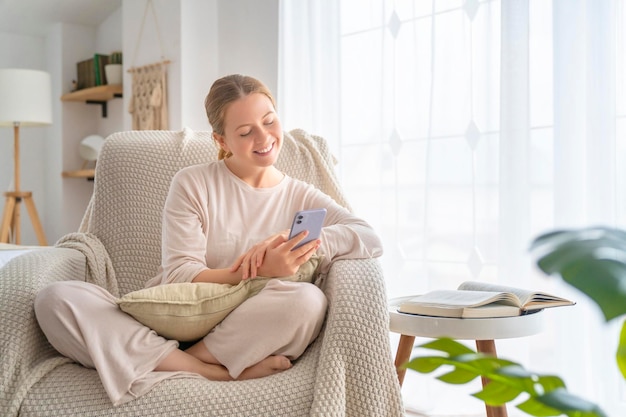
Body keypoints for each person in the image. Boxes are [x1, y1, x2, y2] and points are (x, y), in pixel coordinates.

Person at [34, 74, 383, 406]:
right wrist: (257, 269)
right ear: (221, 141)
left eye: (270, 121)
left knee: (308, 301)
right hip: (170, 320)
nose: (264, 139)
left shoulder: (300, 195)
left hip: (247, 327)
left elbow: (368, 237)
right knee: (57, 299)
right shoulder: (192, 183)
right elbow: (180, 275)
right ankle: (209, 372)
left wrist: (297, 246)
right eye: (246, 132)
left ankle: (170, 362)